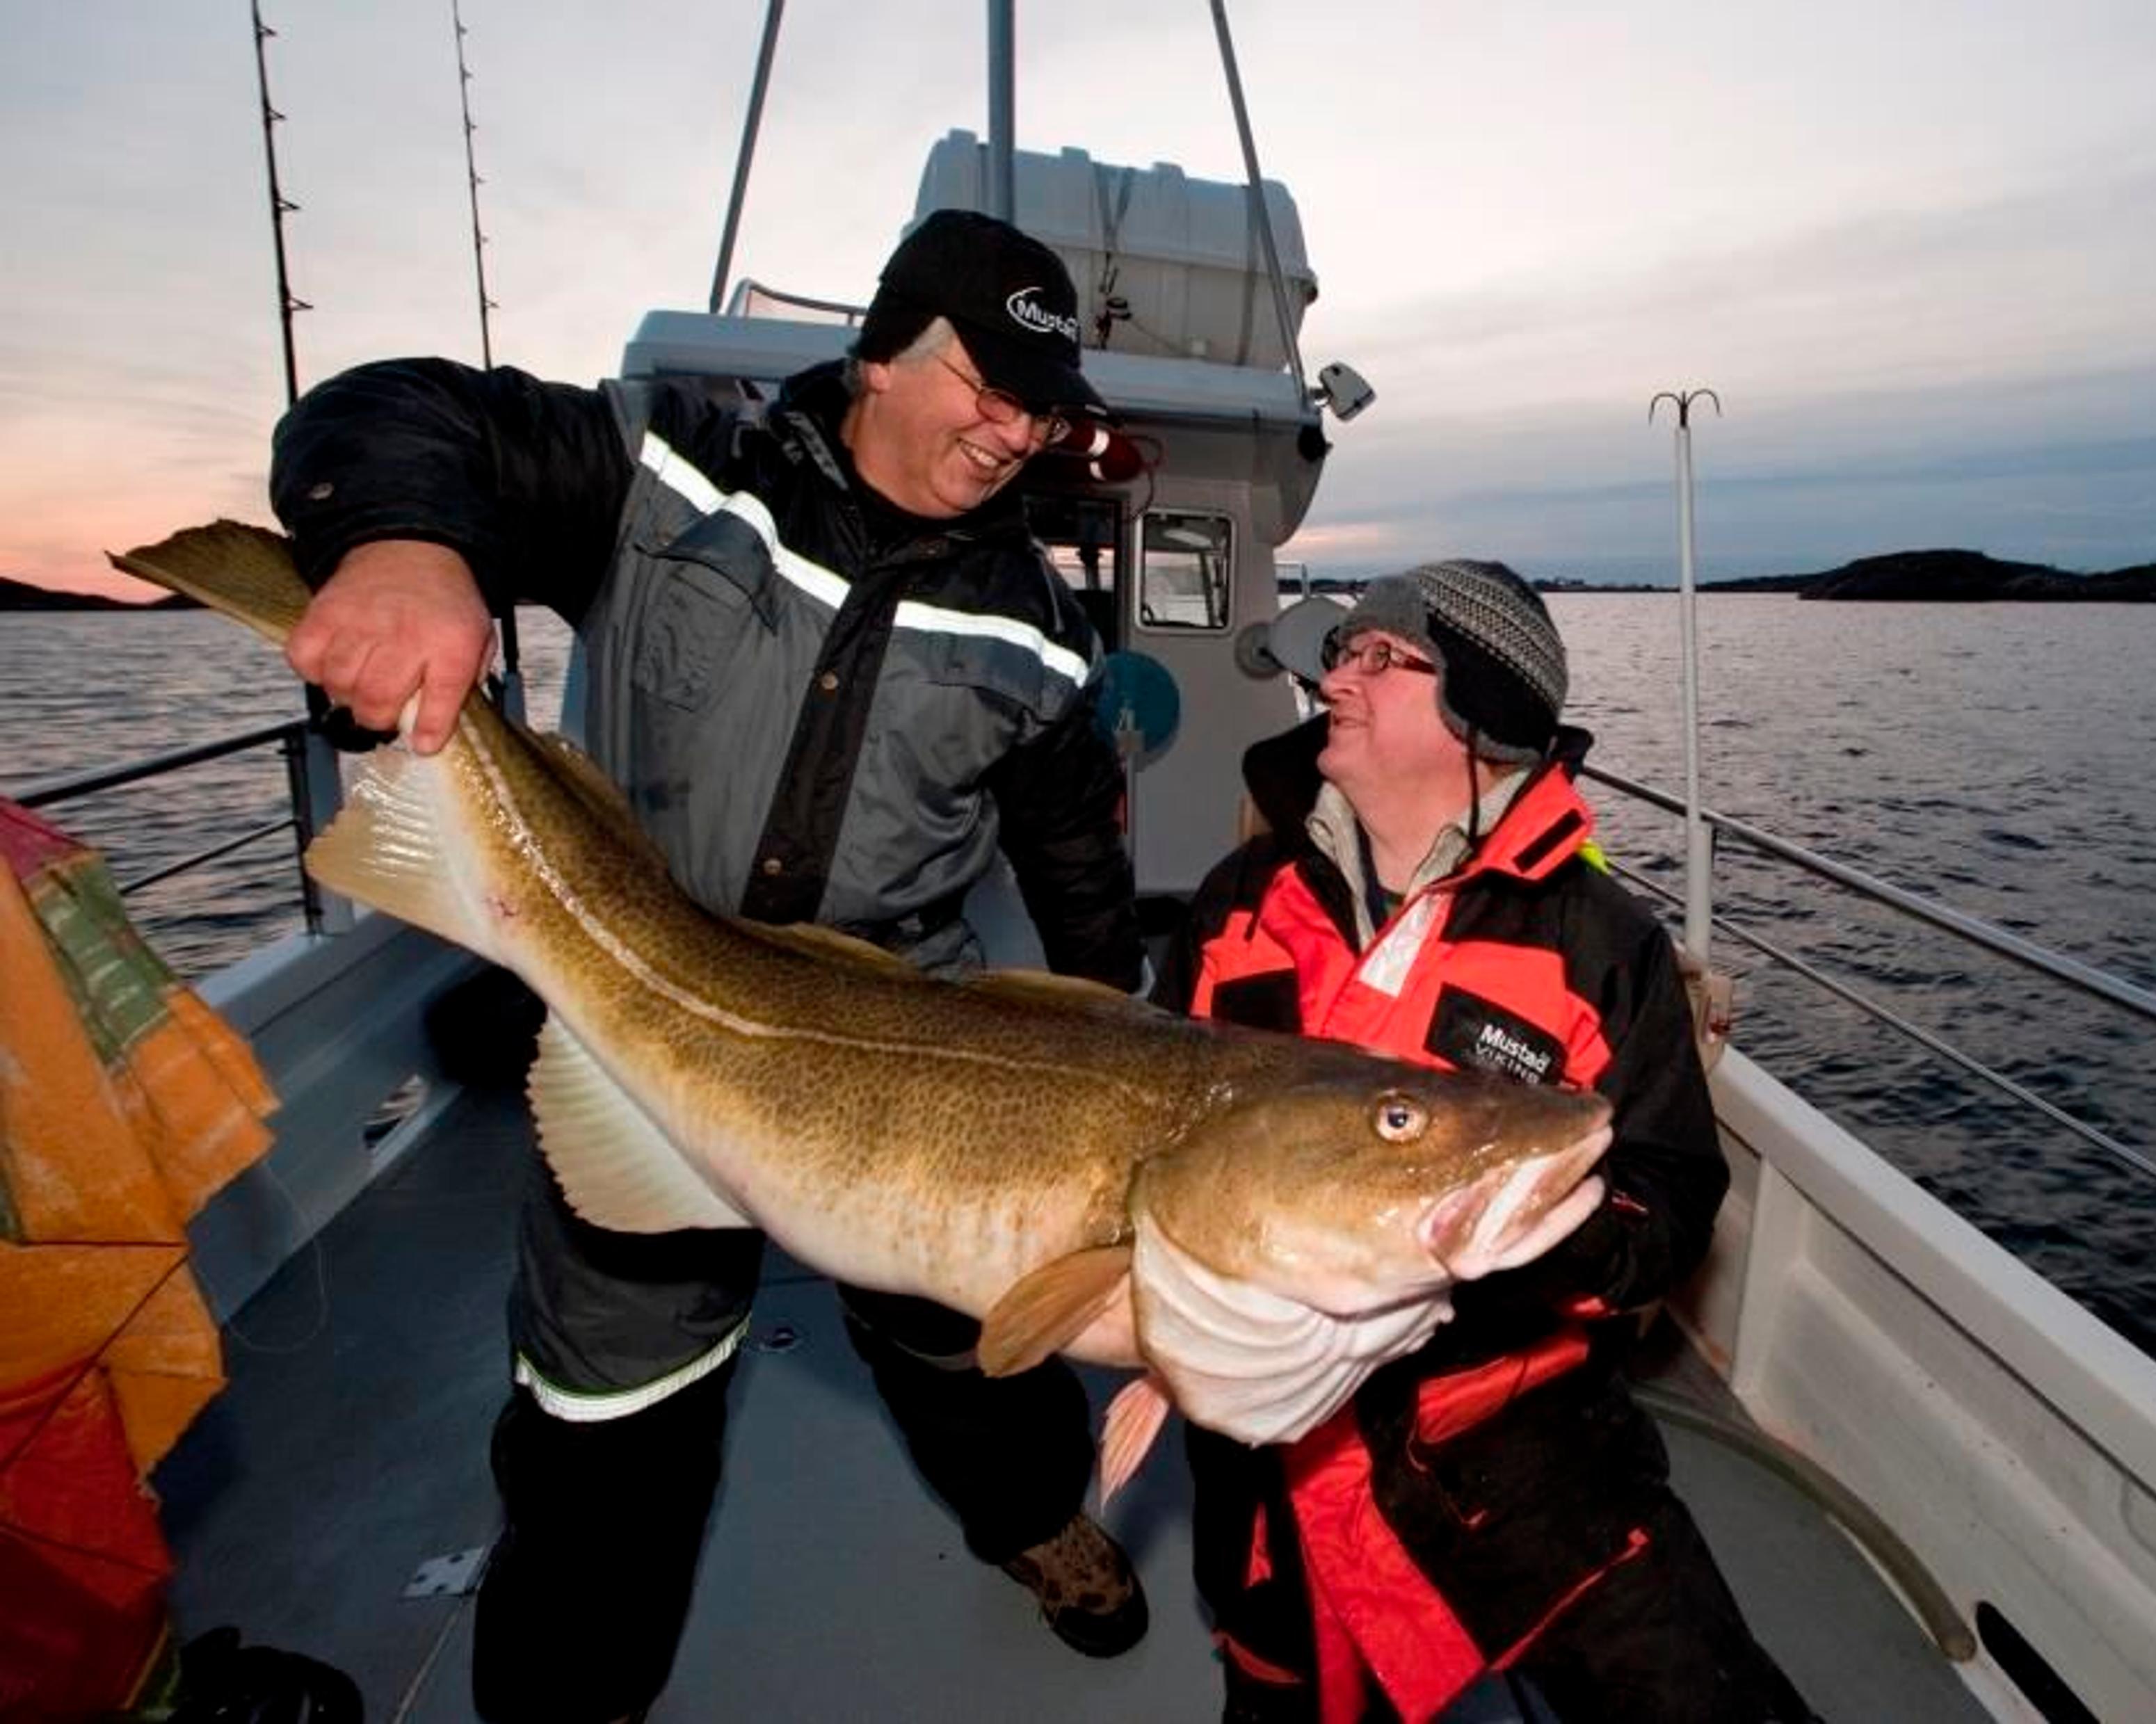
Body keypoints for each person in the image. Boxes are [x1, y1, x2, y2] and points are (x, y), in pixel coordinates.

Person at [268, 209, 1149, 1723]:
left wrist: (1121, 1023)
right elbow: (388, 413)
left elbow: (1075, 854)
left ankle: (1032, 1524)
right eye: (987, 388)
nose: (1015, 436)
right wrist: (409, 544)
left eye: (1040, 410)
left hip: (907, 1057)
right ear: (885, 350)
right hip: (642, 1011)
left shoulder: (1045, 626)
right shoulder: (675, 466)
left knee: (982, 1359)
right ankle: (573, 1695)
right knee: (605, 1433)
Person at [1157, 559, 1817, 1723]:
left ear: (1482, 716)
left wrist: (1528, 1242)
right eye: (1342, 652)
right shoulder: (1237, 901)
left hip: (1518, 1452)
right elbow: (1157, 1122)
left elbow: (1667, 1196)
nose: (1335, 677)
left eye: (1377, 657)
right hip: (1266, 1455)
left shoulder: (1598, 943)